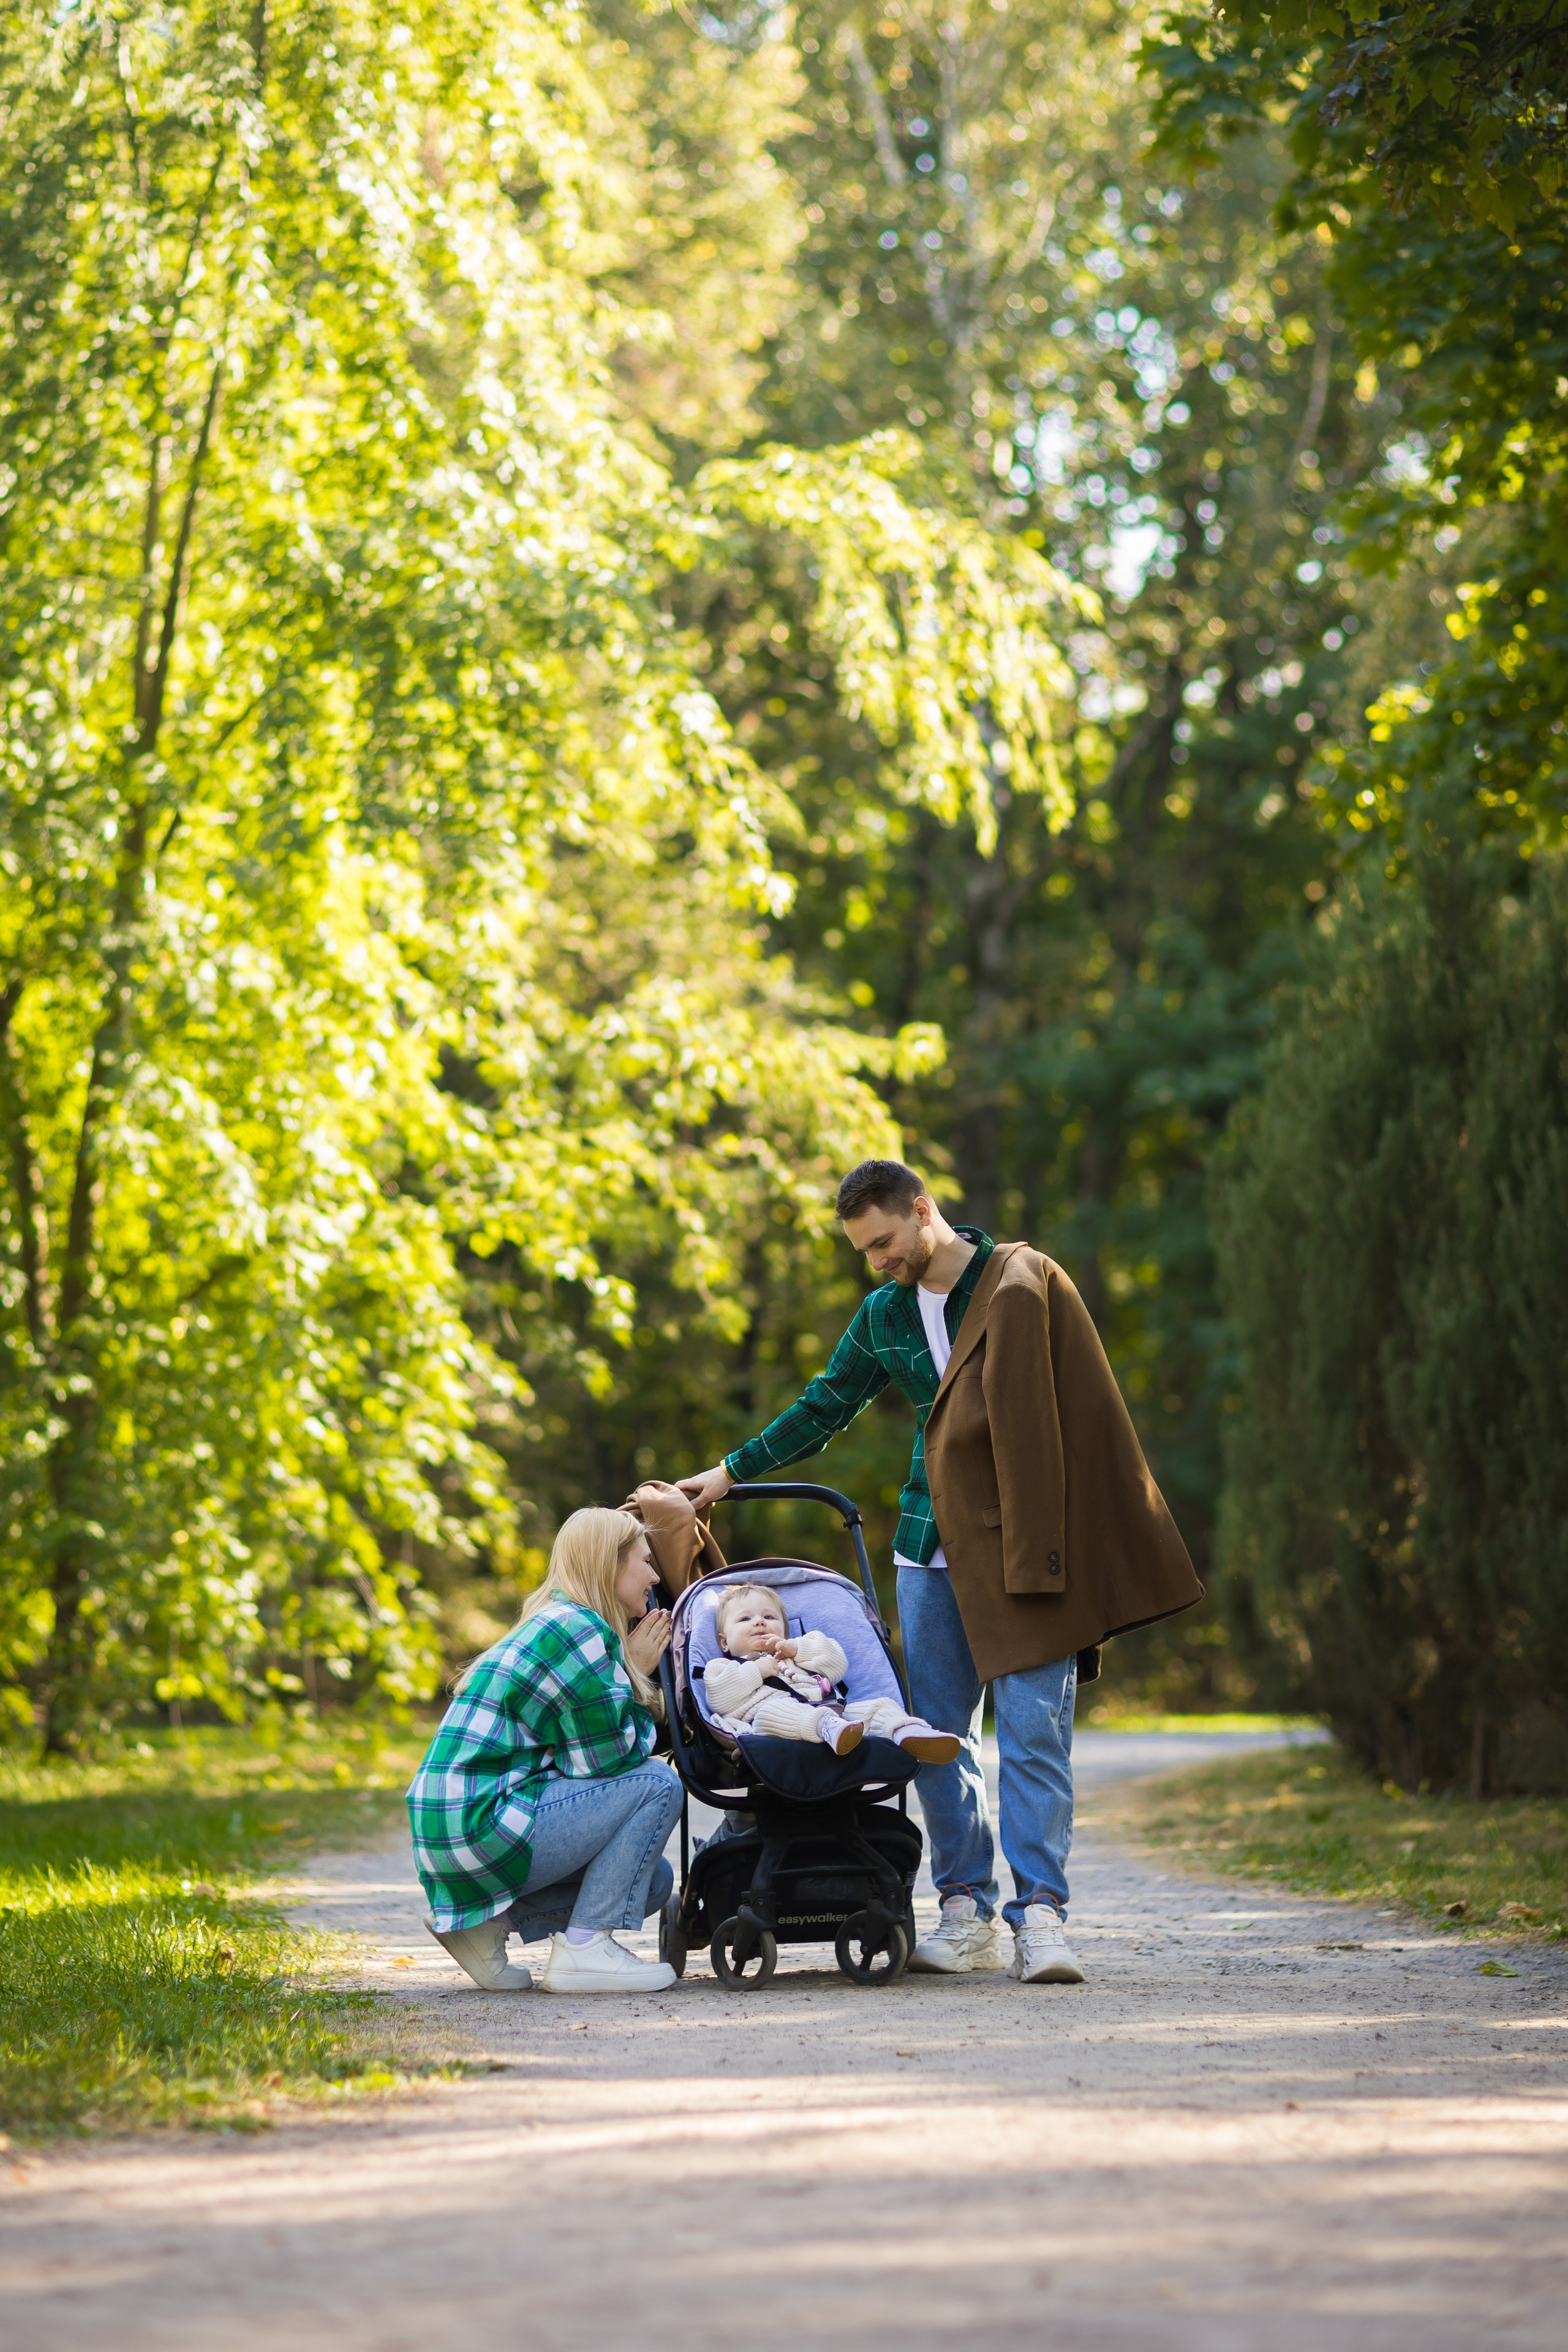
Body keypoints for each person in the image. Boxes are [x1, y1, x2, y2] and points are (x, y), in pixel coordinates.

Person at [681, 1159, 1201, 1987]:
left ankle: (1043, 1918)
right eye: (863, 1250)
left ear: (924, 1212)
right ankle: (967, 1909)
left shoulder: (1018, 1287)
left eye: (884, 1242)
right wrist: (729, 1472)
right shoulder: (884, 1313)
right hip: (929, 1547)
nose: (877, 1261)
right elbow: (826, 1404)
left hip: (1029, 1545)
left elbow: (1085, 1420)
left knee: (1035, 1735)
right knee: (934, 1740)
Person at [407, 1506, 684, 1995]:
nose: (655, 1575)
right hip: (482, 1821)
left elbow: (579, 1762)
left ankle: (481, 1927)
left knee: (654, 1882)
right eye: (644, 1561)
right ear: (610, 1566)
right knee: (657, 1783)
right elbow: (606, 1762)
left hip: (453, 1830)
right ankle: (584, 1950)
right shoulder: (578, 1628)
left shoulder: (556, 1620)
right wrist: (636, 1676)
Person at [702, 1582, 962, 1763]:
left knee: (880, 1706)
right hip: (772, 1725)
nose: (759, 1622)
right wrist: (756, 1670)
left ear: (785, 1629)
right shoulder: (724, 1667)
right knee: (774, 1711)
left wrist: (796, 1649)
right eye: (745, 1620)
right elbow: (719, 1699)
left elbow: (836, 1665)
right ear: (724, 1642)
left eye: (768, 1617)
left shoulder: (799, 1650)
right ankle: (827, 1728)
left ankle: (906, 1732)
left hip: (835, 1712)